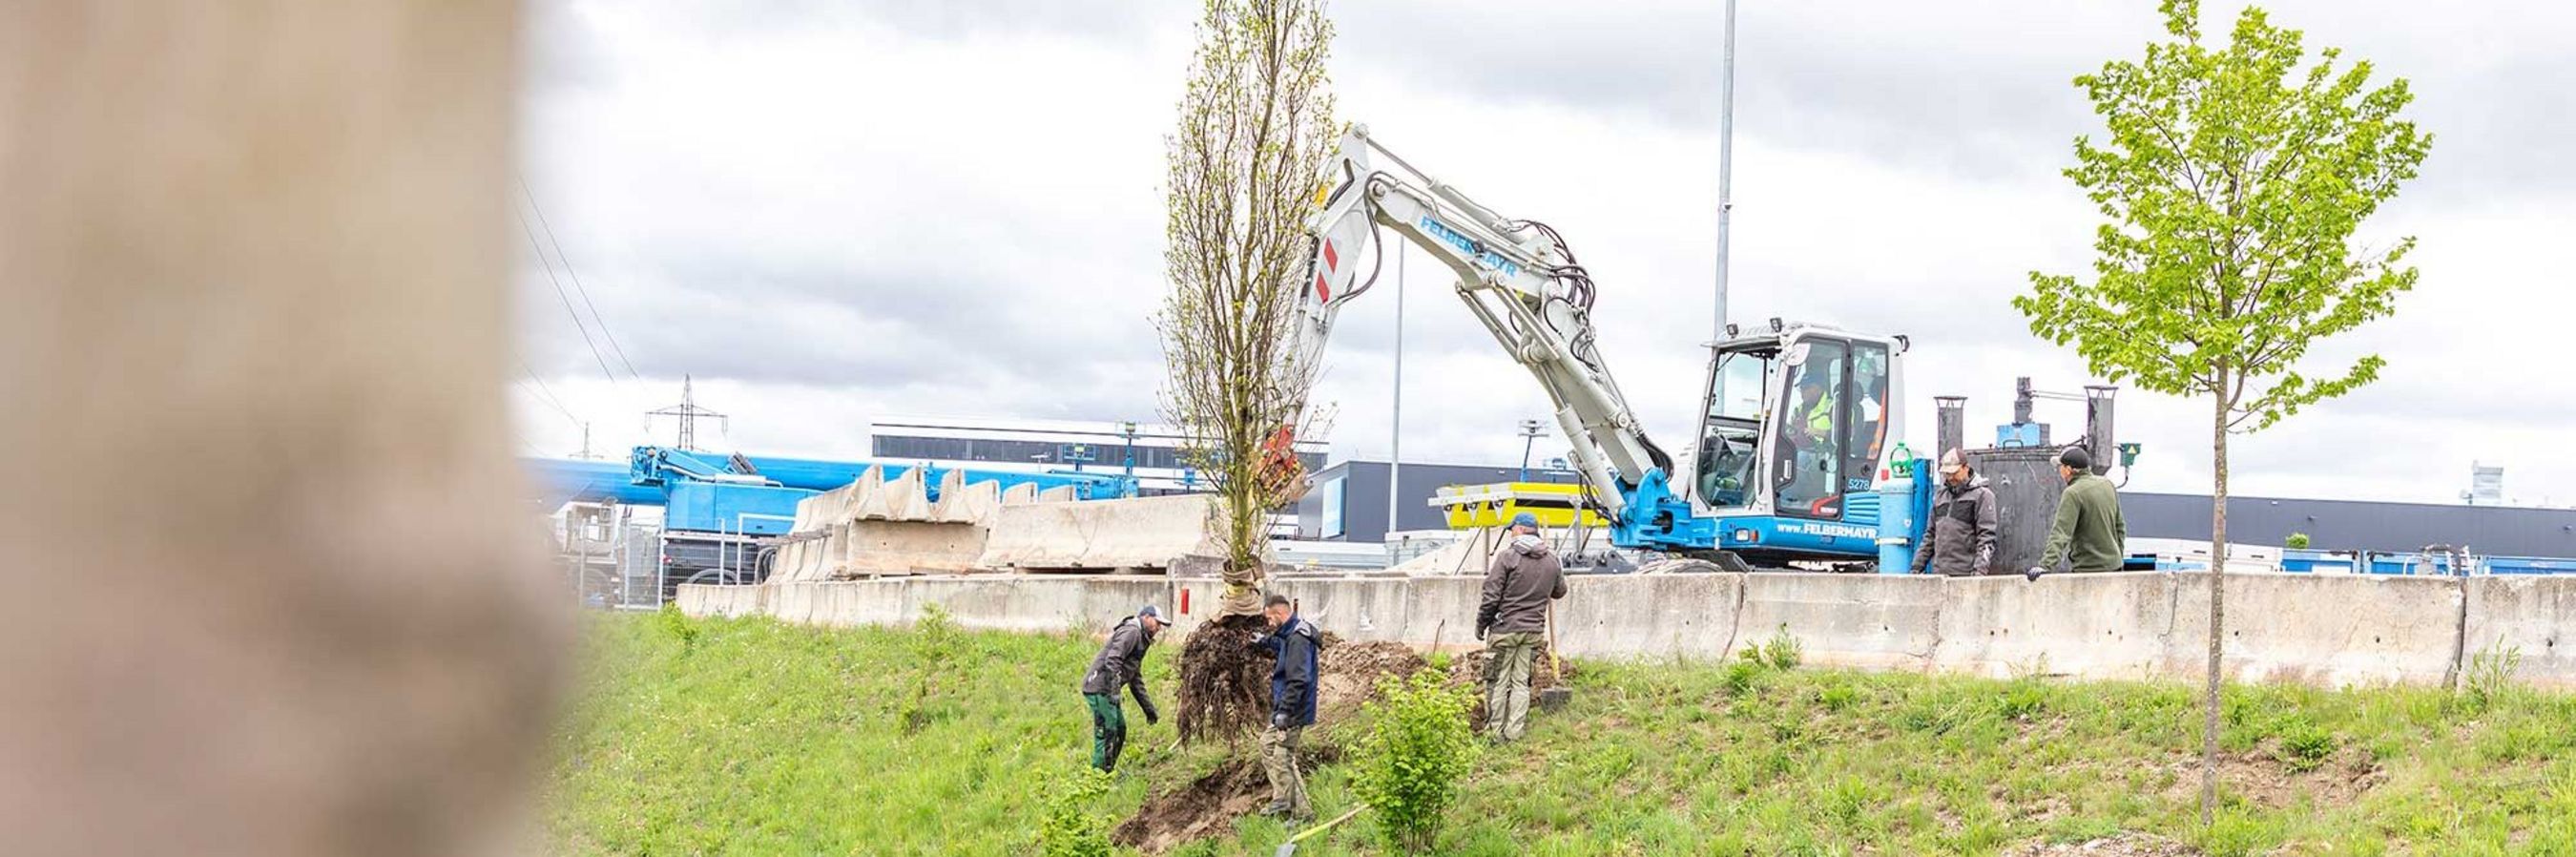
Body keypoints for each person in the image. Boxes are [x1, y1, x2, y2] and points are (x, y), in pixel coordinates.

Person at [1476, 512, 1568, 742]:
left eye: (1511, 530)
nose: (1510, 534)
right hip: (1533, 631)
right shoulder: (1552, 559)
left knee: (1497, 681)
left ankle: (1495, 734)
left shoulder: (1507, 557)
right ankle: (1514, 732)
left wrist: (1482, 623)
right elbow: (1560, 591)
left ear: (1519, 529)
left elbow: (1491, 595)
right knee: (1521, 683)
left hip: (1505, 629)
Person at [1251, 594, 1319, 822]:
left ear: (1279, 614)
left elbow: (1299, 679)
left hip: (1294, 709)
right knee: (1266, 745)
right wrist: (1263, 641)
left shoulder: (1299, 639)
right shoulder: (1288, 632)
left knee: (1283, 758)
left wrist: (1285, 712)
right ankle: (1282, 796)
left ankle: (1303, 813)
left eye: (1269, 619)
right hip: (1285, 707)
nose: (1269, 624)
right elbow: (1279, 644)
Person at [1078, 604, 1166, 773]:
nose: (1159, 628)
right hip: (1099, 687)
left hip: (1108, 689)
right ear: (1146, 617)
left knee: (1120, 729)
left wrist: (1149, 709)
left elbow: (1135, 679)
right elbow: (1113, 660)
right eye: (1157, 623)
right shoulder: (1132, 632)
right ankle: (1098, 775)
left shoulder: (1141, 638)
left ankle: (1108, 770)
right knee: (1108, 731)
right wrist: (1115, 691)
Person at [2031, 446, 2127, 579]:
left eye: (2061, 466)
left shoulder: (2073, 493)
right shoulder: (2107, 484)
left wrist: (2045, 565)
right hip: (2114, 567)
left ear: (2069, 470)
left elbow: (2061, 533)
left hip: (2088, 570)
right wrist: (2118, 557)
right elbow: (2120, 527)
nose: (2059, 470)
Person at [1910, 449, 2000, 576]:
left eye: (1954, 473)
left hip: (1966, 575)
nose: (1950, 477)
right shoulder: (1940, 496)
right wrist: (1916, 568)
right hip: (1939, 575)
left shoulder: (1983, 496)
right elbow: (1930, 536)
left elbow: (1986, 538)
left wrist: (1979, 573)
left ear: (1966, 468)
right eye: (1947, 473)